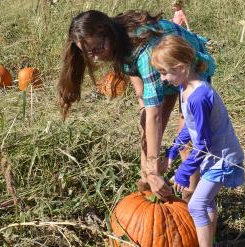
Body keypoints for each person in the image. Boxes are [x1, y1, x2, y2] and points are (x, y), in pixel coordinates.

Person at [57, 10, 216, 201]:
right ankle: (148, 190)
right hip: (160, 74)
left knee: (186, 141)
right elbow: (142, 94)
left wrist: (153, 164)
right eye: (88, 53)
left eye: (98, 49)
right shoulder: (121, 44)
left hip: (187, 69)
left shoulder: (144, 50)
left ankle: (191, 197)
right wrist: (148, 170)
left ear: (109, 33)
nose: (95, 58)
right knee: (147, 128)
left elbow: (155, 115)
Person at [151, 35, 245, 247]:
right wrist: (172, 152)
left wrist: (184, 171)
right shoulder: (186, 89)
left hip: (221, 157)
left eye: (165, 72)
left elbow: (202, 142)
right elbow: (189, 129)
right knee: (207, 202)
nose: (163, 79)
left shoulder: (199, 97)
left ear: (182, 67)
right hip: (213, 155)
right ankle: (210, 242)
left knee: (196, 205)